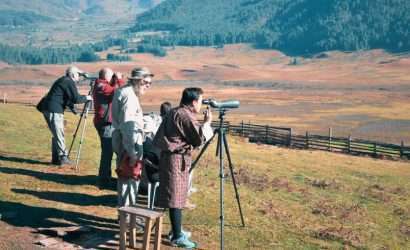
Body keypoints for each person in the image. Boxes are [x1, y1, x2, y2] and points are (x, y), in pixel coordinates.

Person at [153, 87, 213, 248]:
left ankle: (176, 230)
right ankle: (177, 236)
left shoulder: (176, 111)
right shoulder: (185, 115)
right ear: (194, 102)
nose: (201, 105)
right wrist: (207, 123)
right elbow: (198, 139)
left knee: (177, 195)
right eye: (201, 101)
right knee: (175, 198)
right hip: (176, 159)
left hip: (172, 158)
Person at [111, 67, 153, 208]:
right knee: (129, 179)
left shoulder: (127, 92)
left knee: (127, 178)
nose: (148, 86)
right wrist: (132, 153)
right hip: (129, 143)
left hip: (127, 141)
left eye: (150, 83)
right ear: (138, 81)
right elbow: (128, 126)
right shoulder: (129, 96)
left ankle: (127, 215)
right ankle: (127, 217)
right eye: (146, 82)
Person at [36, 65, 92, 166]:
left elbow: (66, 98)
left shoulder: (64, 80)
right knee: (59, 133)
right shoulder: (69, 82)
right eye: (79, 75)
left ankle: (57, 158)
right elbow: (76, 98)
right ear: (73, 75)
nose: (79, 77)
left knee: (57, 133)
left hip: (48, 108)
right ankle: (63, 157)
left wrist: (73, 109)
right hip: (54, 109)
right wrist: (87, 97)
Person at [92, 68, 125, 189]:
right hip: (105, 123)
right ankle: (104, 180)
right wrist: (119, 80)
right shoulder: (101, 85)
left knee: (108, 152)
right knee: (107, 153)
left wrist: (115, 80)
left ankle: (105, 177)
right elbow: (118, 92)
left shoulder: (102, 84)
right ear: (107, 77)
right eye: (112, 77)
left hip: (105, 122)